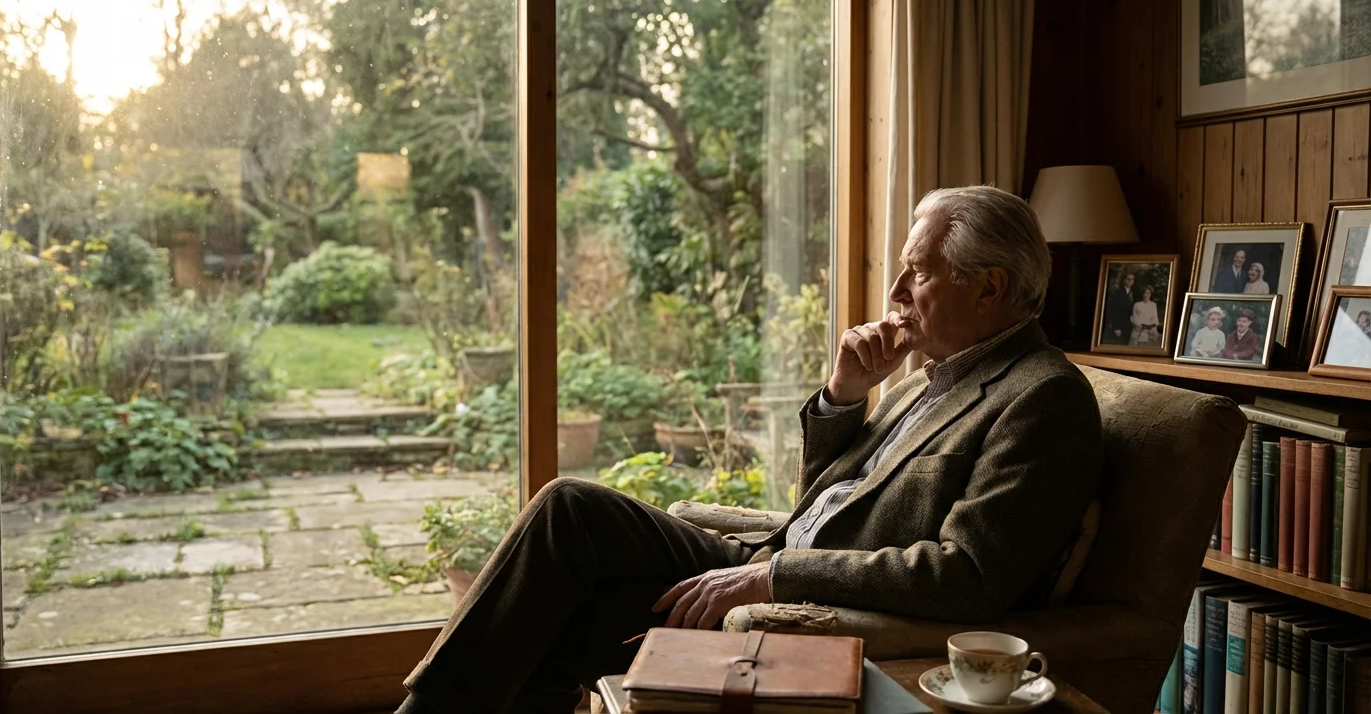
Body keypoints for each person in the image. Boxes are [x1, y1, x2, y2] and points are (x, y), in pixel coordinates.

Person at [395, 186, 1105, 714]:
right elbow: (828, 494)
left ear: (990, 287)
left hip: (805, 597)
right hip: (769, 555)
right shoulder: (934, 375)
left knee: (562, 610)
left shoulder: (1042, 399)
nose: (893, 294)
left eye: (916, 273)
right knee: (569, 512)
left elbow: (968, 575)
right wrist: (845, 395)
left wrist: (776, 579)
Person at [1102, 270, 1137, 345]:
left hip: (1131, 326)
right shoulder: (1118, 292)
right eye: (1128, 279)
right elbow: (1114, 310)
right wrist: (1117, 327)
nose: (1130, 281)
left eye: (1132, 279)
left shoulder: (1134, 293)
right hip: (1120, 326)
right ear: (1124, 280)